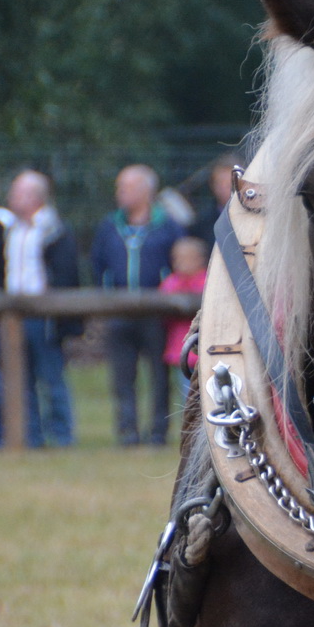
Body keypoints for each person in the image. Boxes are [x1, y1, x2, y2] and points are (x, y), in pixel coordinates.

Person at [90, 164, 183, 446]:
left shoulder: (168, 226)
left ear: (145, 191)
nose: (119, 193)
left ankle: (157, 433)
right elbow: (97, 264)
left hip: (157, 314)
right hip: (119, 313)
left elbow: (180, 263)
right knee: (122, 377)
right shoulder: (109, 226)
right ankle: (127, 432)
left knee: (158, 376)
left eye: (126, 187)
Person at [0, 171, 80, 448]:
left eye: (17, 192)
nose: (11, 197)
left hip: (44, 317)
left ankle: (61, 436)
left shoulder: (53, 230)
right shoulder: (12, 229)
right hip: (13, 315)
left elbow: (67, 273)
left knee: (51, 377)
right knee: (20, 378)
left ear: (34, 196)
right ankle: (30, 437)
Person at [160, 236, 209, 403]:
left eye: (186, 258)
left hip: (206, 353)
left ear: (200, 259)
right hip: (182, 353)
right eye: (176, 258)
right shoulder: (171, 283)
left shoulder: (208, 281)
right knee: (188, 398)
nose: (180, 263)